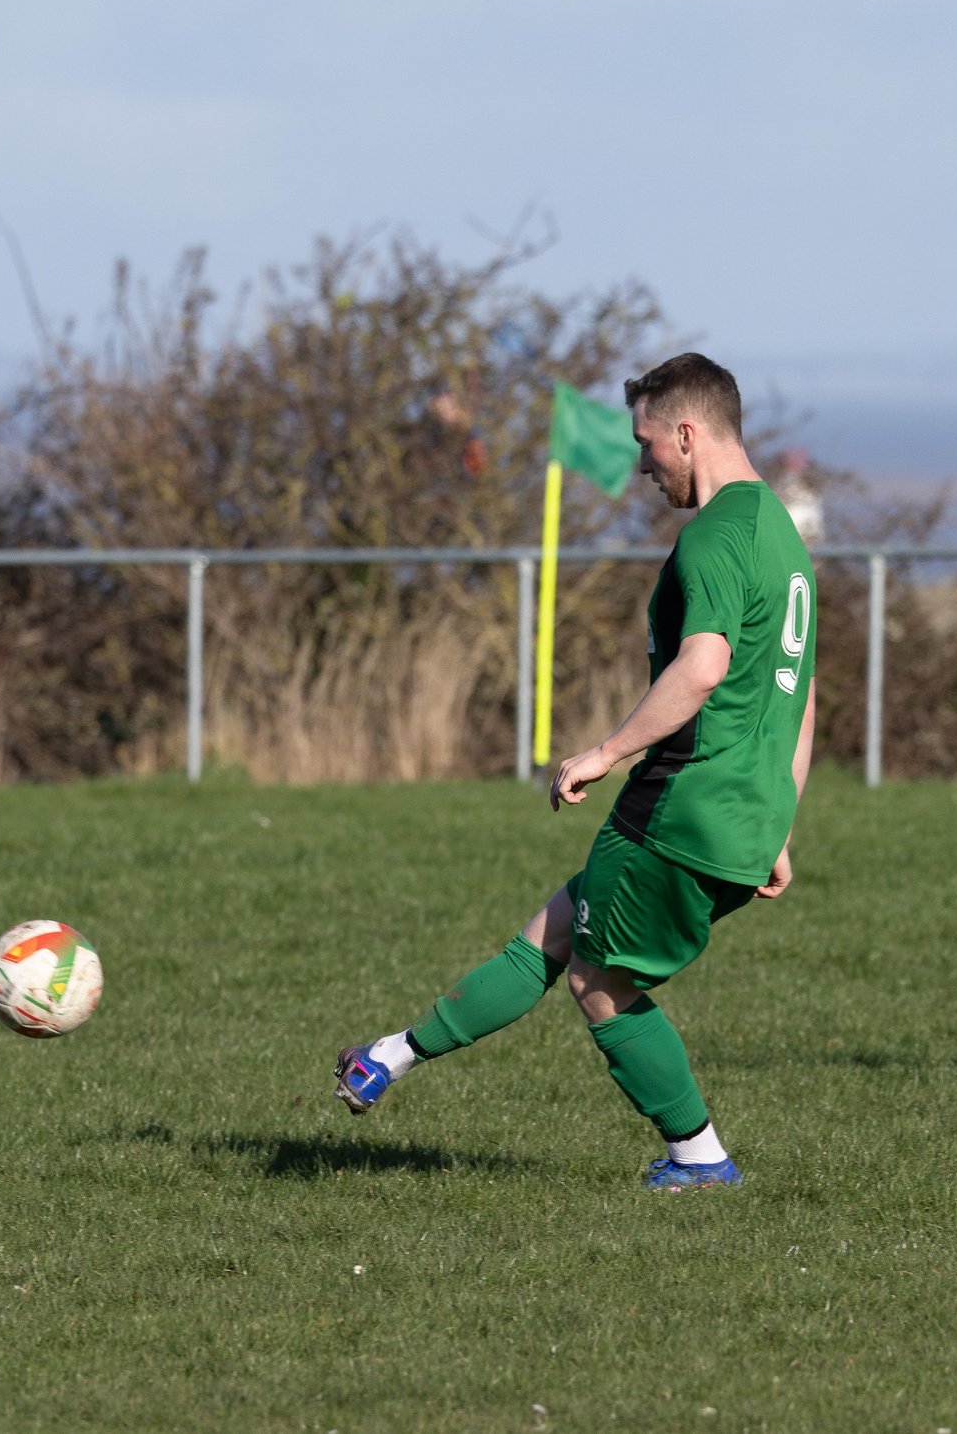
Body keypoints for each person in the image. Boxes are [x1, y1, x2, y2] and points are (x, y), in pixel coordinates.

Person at [333, 352, 817, 1191]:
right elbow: (800, 695)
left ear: (689, 433)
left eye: (647, 443)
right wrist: (780, 821)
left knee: (599, 983)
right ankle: (388, 1058)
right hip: (742, 816)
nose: (641, 464)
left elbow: (701, 668)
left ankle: (698, 1159)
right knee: (556, 929)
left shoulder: (714, 538)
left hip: (682, 808)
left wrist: (602, 752)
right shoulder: (780, 533)